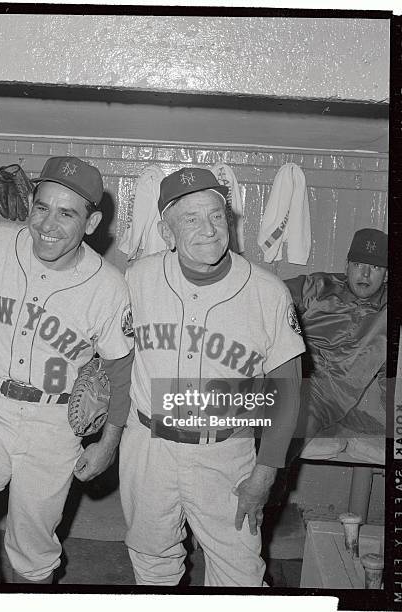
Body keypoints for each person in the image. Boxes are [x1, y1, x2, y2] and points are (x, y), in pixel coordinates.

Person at [0, 156, 134, 583]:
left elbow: (120, 367)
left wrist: (108, 443)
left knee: (32, 549)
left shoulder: (109, 286)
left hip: (55, 425)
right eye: (42, 207)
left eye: (67, 213)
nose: (48, 224)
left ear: (92, 222)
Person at [119, 167, 305, 586]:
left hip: (226, 452)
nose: (209, 229)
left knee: (240, 574)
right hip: (148, 448)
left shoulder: (267, 291)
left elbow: (287, 392)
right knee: (151, 563)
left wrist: (265, 472)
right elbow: (114, 358)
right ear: (166, 233)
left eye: (216, 216)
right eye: (191, 219)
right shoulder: (139, 278)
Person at [283, 228, 387, 460]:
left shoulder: (389, 316)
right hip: (284, 376)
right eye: (359, 264)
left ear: (387, 274)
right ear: (347, 265)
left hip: (322, 399)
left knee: (280, 446)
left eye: (376, 268)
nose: (365, 274)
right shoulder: (319, 287)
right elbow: (270, 298)